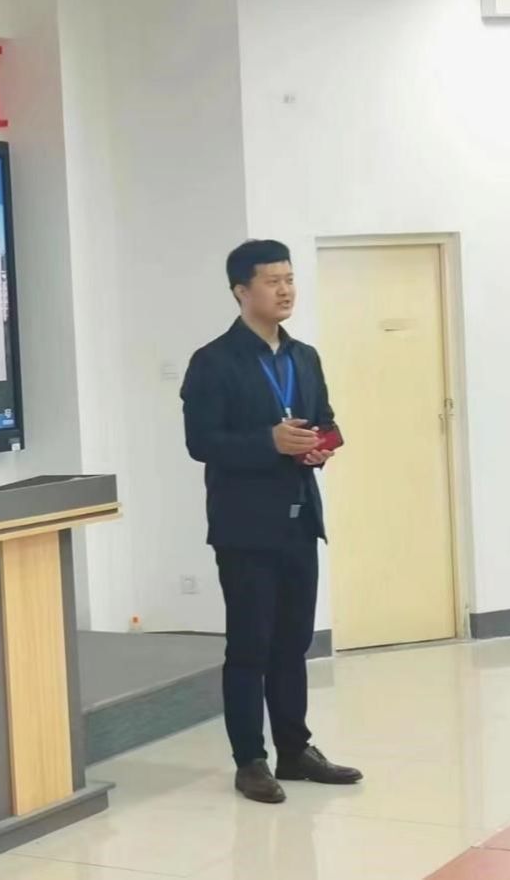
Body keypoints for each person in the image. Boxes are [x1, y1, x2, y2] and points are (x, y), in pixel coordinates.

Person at [180, 239, 363, 804]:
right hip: (245, 526)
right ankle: (250, 761)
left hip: (299, 520)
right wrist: (270, 441)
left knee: (293, 642)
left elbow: (325, 419)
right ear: (241, 291)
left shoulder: (304, 356)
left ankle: (295, 749)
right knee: (250, 646)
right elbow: (201, 442)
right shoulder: (213, 361)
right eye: (272, 281)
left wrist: (319, 446)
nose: (285, 291)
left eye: (289, 279)